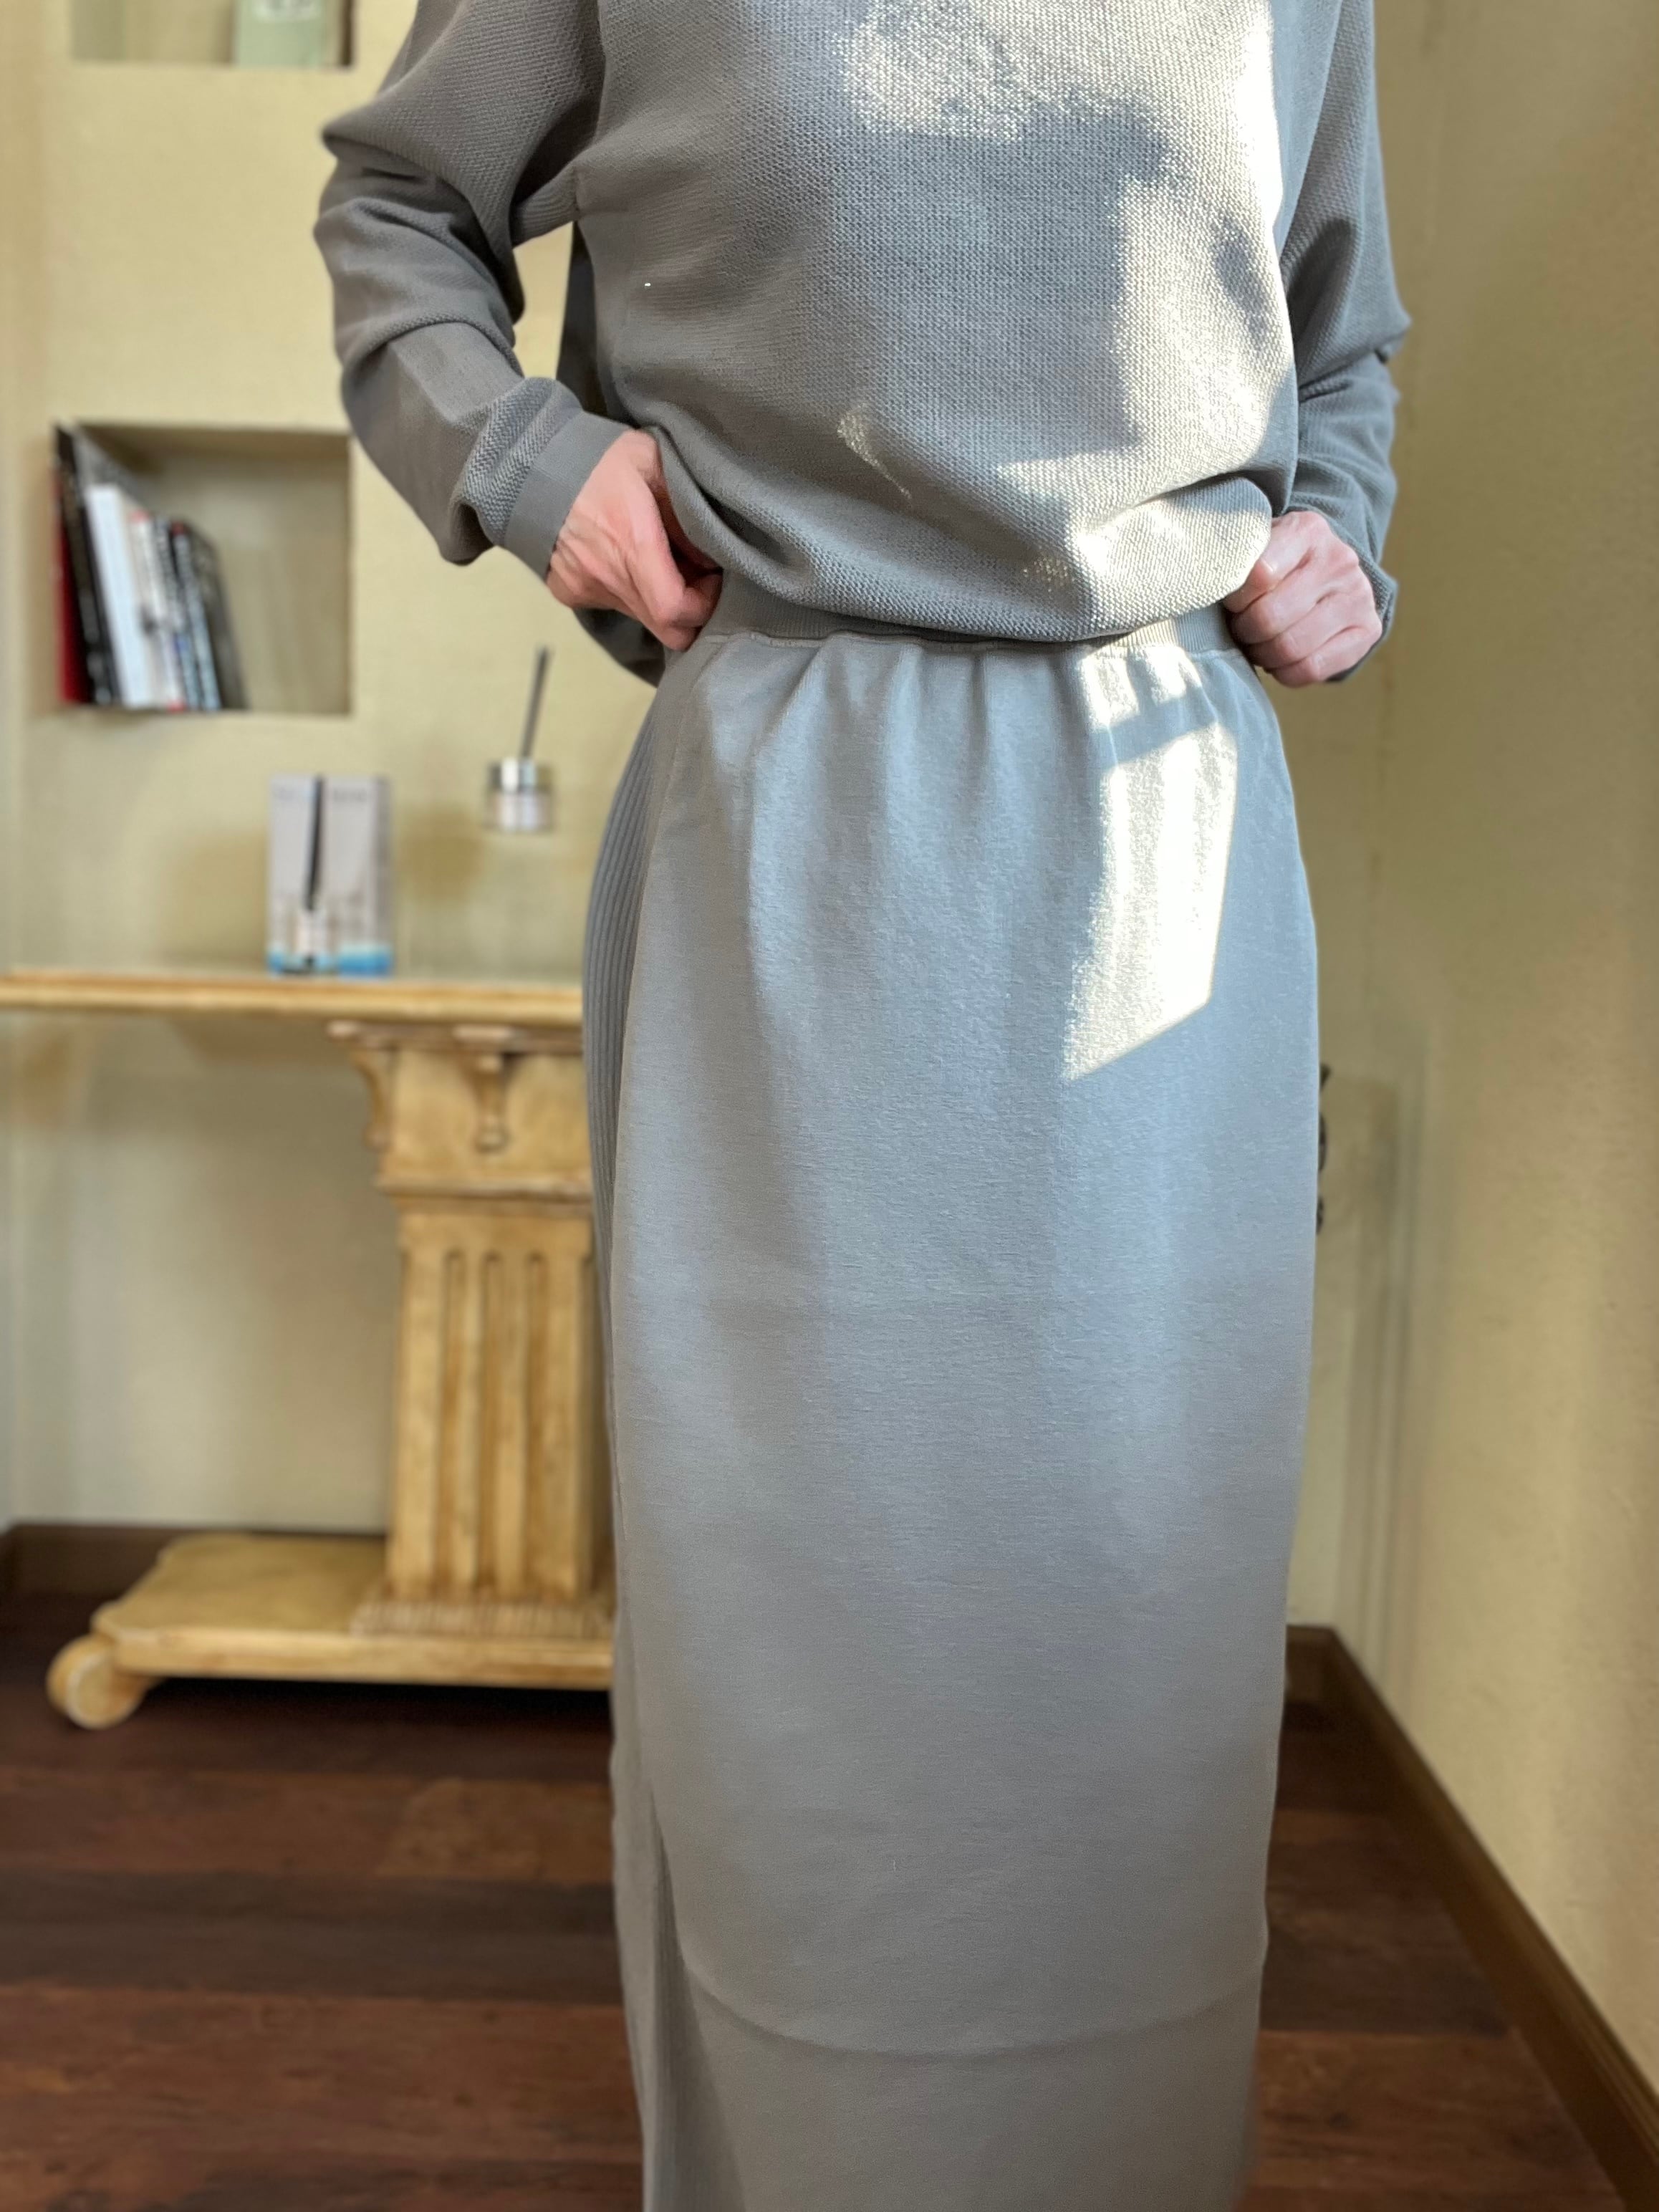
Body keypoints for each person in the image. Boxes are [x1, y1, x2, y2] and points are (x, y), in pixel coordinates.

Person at [317, 4, 1407, 2204]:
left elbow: (1338, 331)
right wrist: (525, 460)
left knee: (1129, 1651)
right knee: (793, 1667)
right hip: (791, 826)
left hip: (1158, 846)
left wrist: (1341, 528)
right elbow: (401, 204)